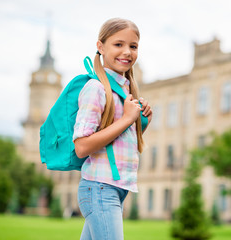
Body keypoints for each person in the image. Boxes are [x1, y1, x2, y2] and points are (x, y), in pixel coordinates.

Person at [73, 18, 152, 240]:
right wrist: (127, 119)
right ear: (101, 47)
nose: (127, 52)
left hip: (115, 189)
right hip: (100, 188)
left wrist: (140, 121)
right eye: (118, 44)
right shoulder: (96, 89)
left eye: (133, 46)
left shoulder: (124, 90)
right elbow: (81, 147)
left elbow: (116, 144)